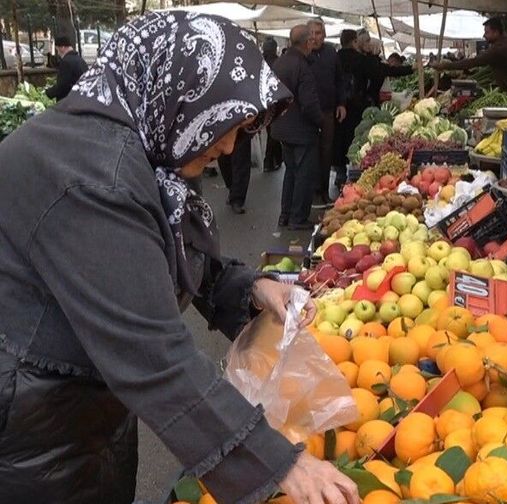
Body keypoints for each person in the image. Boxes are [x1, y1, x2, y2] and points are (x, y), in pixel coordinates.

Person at [0, 12, 360, 504]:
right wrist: (276, 463)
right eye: (224, 125)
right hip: (33, 423)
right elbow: (151, 350)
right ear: (181, 93)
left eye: (242, 129)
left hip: (86, 407)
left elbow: (162, 251)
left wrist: (250, 286)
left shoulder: (140, 145)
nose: (229, 145)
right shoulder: (89, 174)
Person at [271, 25, 323, 230]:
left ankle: (285, 215)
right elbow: (309, 103)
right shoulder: (302, 66)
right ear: (307, 42)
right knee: (303, 174)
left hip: (282, 128)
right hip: (301, 130)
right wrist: (321, 122)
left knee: (291, 172)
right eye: (312, 39)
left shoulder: (279, 63)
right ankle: (298, 217)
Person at [430, 17, 507, 104]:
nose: (484, 35)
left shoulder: (499, 48)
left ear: (496, 32)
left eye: (487, 32)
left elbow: (472, 62)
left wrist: (443, 66)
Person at [308, 19, 347, 207]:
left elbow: (340, 79)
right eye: (312, 33)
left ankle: (323, 190)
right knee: (310, 151)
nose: (315, 37)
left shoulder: (331, 53)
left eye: (318, 33)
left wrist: (341, 103)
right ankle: (312, 190)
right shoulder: (303, 54)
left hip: (328, 111)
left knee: (326, 151)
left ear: (324, 35)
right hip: (307, 113)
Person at [333, 29, 370, 189]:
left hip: (338, 106)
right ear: (354, 41)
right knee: (355, 138)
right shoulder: (361, 60)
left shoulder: (334, 58)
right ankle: (353, 173)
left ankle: (340, 173)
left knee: (338, 139)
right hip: (356, 106)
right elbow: (376, 72)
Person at [364, 38, 413, 107]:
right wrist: (412, 68)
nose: (380, 51)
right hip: (374, 99)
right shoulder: (376, 64)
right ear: (374, 48)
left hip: (375, 98)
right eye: (378, 48)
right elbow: (394, 71)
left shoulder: (372, 62)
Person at [218, 128, 253, 214]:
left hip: (242, 126)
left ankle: (237, 198)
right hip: (223, 127)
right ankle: (232, 189)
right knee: (224, 160)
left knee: (241, 161)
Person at [262, 37, 283, 173]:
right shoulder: (278, 63)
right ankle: (270, 160)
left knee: (271, 132)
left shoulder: (259, 63)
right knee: (273, 133)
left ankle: (273, 159)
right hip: (276, 102)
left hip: (263, 103)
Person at [44, 36, 88, 101]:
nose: (58, 53)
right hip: (82, 98)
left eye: (57, 49)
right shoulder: (80, 60)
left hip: (70, 102)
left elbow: (62, 85)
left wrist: (48, 93)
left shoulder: (66, 62)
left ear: (62, 47)